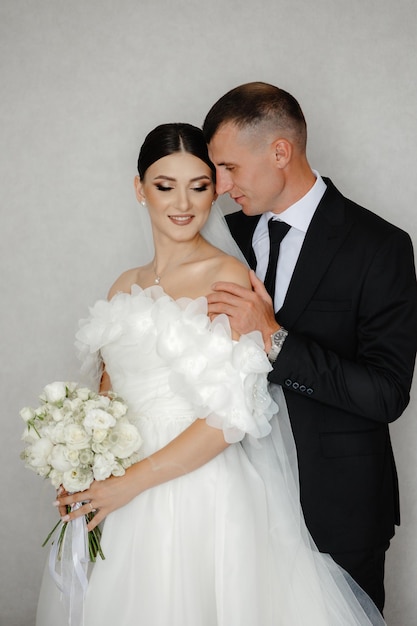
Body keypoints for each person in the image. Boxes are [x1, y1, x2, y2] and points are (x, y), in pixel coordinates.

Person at [36, 122, 386, 626]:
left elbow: (232, 414)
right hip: (121, 496)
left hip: (197, 492)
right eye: (165, 185)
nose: (183, 203)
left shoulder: (226, 276)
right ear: (139, 189)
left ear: (213, 190)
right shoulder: (122, 285)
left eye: (199, 186)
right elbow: (107, 394)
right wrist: (81, 463)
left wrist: (130, 483)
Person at [203, 81, 417, 613]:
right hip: (237, 506)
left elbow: (387, 394)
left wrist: (275, 339)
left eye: (229, 168)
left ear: (281, 151)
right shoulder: (224, 238)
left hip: (337, 509)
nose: (221, 188)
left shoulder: (379, 246)